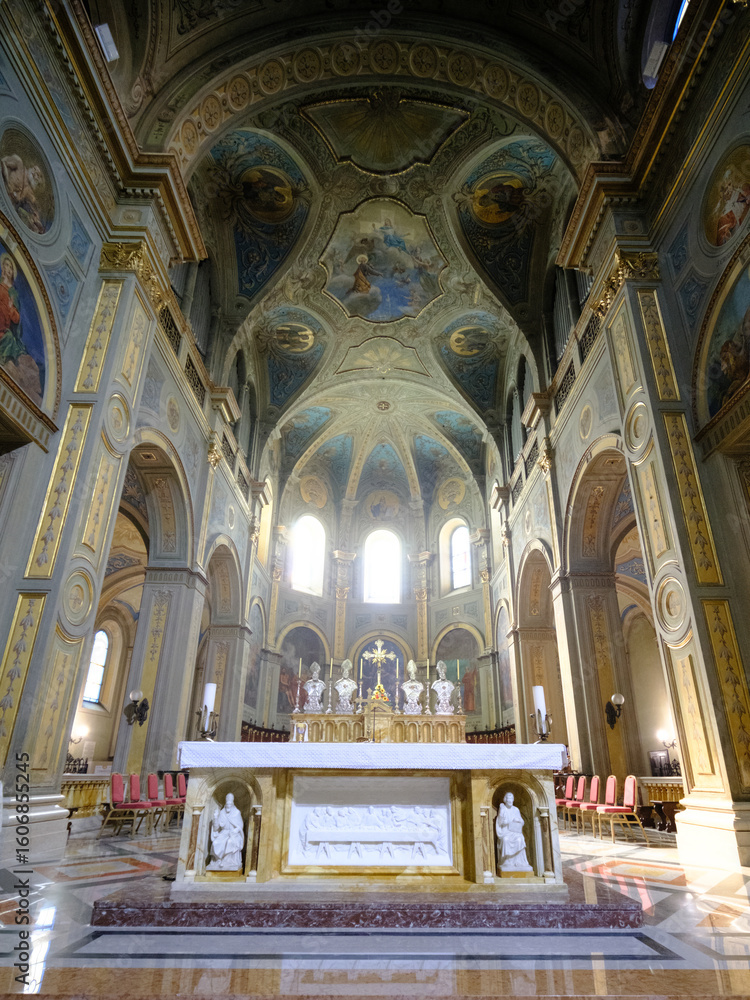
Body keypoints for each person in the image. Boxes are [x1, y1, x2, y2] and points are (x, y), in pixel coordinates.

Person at [495, 791, 533, 873]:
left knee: (520, 839)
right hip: (505, 831)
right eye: (508, 799)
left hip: (515, 831)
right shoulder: (503, 809)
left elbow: (522, 822)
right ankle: (506, 861)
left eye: (511, 799)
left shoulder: (516, 809)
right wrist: (505, 818)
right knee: (506, 840)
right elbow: (500, 823)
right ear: (505, 800)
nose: (510, 801)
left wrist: (518, 820)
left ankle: (519, 862)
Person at [207, 792, 244, 871]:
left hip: (234, 834)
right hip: (224, 833)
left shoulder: (237, 812)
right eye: (227, 805)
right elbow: (216, 828)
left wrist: (236, 830)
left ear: (233, 804)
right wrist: (215, 817)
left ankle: (228, 862)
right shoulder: (222, 812)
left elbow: (240, 825)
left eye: (230, 805)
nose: (228, 806)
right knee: (215, 843)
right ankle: (218, 860)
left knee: (230, 842)